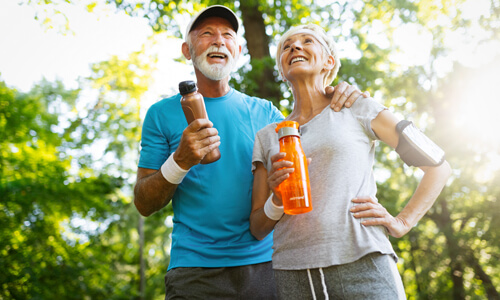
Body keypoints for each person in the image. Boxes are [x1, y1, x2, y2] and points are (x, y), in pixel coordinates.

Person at [134, 5, 367, 299]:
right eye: (206, 33)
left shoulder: (267, 113)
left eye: (227, 35)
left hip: (267, 265)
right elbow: (143, 202)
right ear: (187, 49)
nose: (219, 40)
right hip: (194, 271)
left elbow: (314, 164)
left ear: (239, 49)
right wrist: (180, 161)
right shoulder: (161, 114)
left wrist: (342, 95)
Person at [250, 24, 452, 299]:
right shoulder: (267, 137)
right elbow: (258, 228)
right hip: (294, 275)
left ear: (328, 61)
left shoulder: (358, 107)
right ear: (283, 72)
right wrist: (276, 199)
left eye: (307, 41)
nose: (294, 47)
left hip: (364, 263)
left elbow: (438, 165)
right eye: (286, 46)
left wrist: (403, 222)